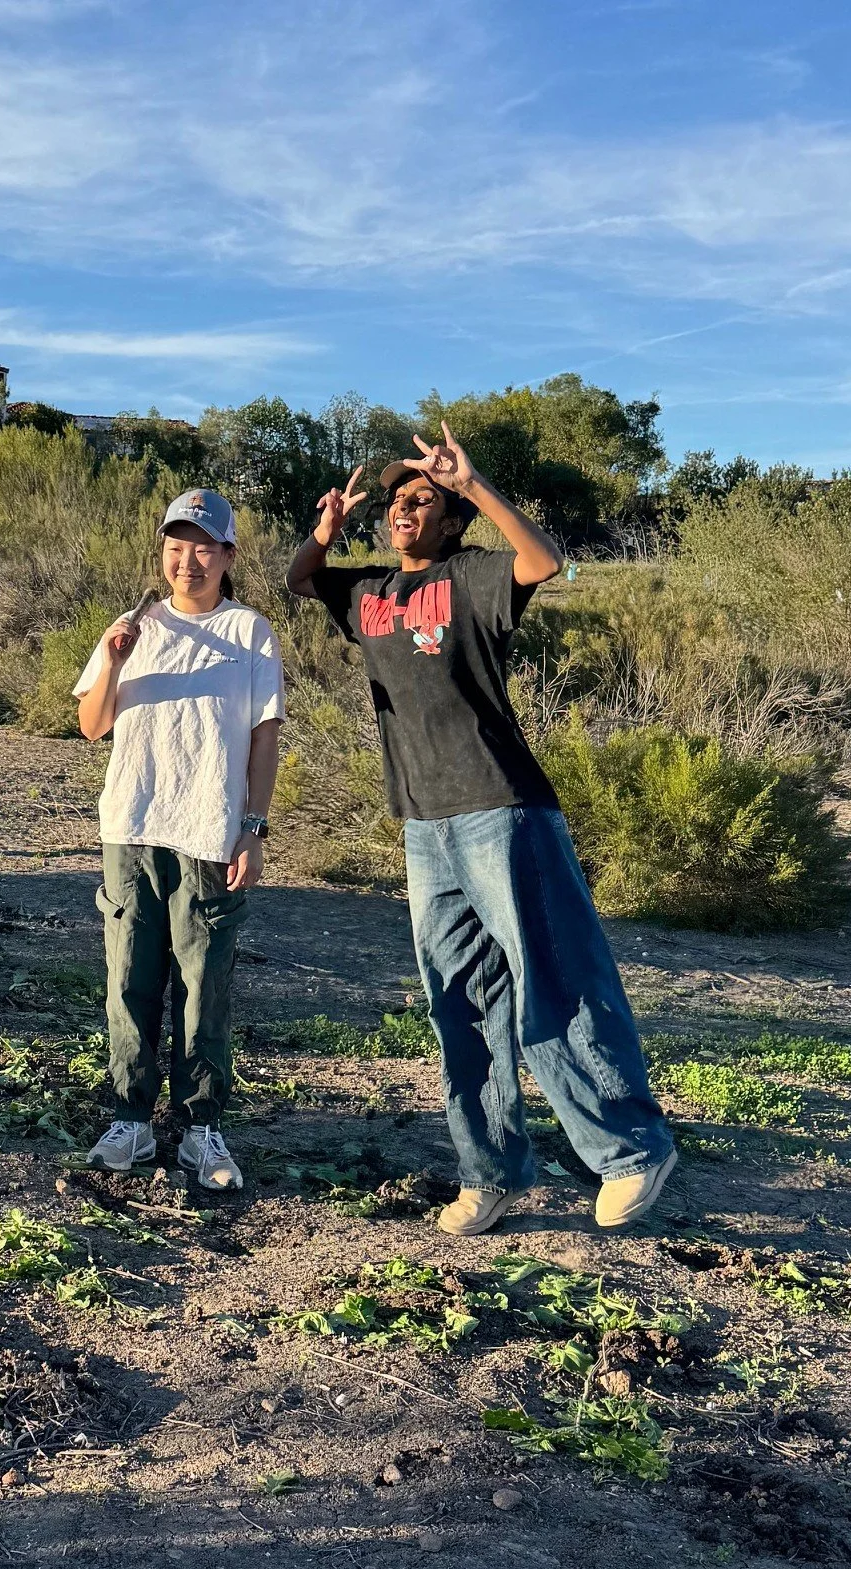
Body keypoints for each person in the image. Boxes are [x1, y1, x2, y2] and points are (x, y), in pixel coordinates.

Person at [286, 426, 676, 1234]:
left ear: (452, 519)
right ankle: (490, 1170)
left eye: (421, 498)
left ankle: (631, 1148)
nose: (403, 508)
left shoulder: (472, 576)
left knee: (552, 978)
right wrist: (326, 529)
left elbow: (544, 562)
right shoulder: (368, 594)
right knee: (460, 1002)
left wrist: (473, 484)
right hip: (424, 823)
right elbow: (300, 579)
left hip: (502, 806)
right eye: (396, 501)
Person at [74, 489, 284, 1191]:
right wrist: (112, 659)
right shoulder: (133, 625)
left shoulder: (250, 632)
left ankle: (200, 1129)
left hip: (208, 832)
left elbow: (264, 737)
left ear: (228, 555)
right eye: (175, 546)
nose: (187, 561)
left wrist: (253, 828)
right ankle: (130, 1119)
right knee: (129, 980)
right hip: (131, 827)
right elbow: (92, 726)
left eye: (202, 548)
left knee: (203, 988)